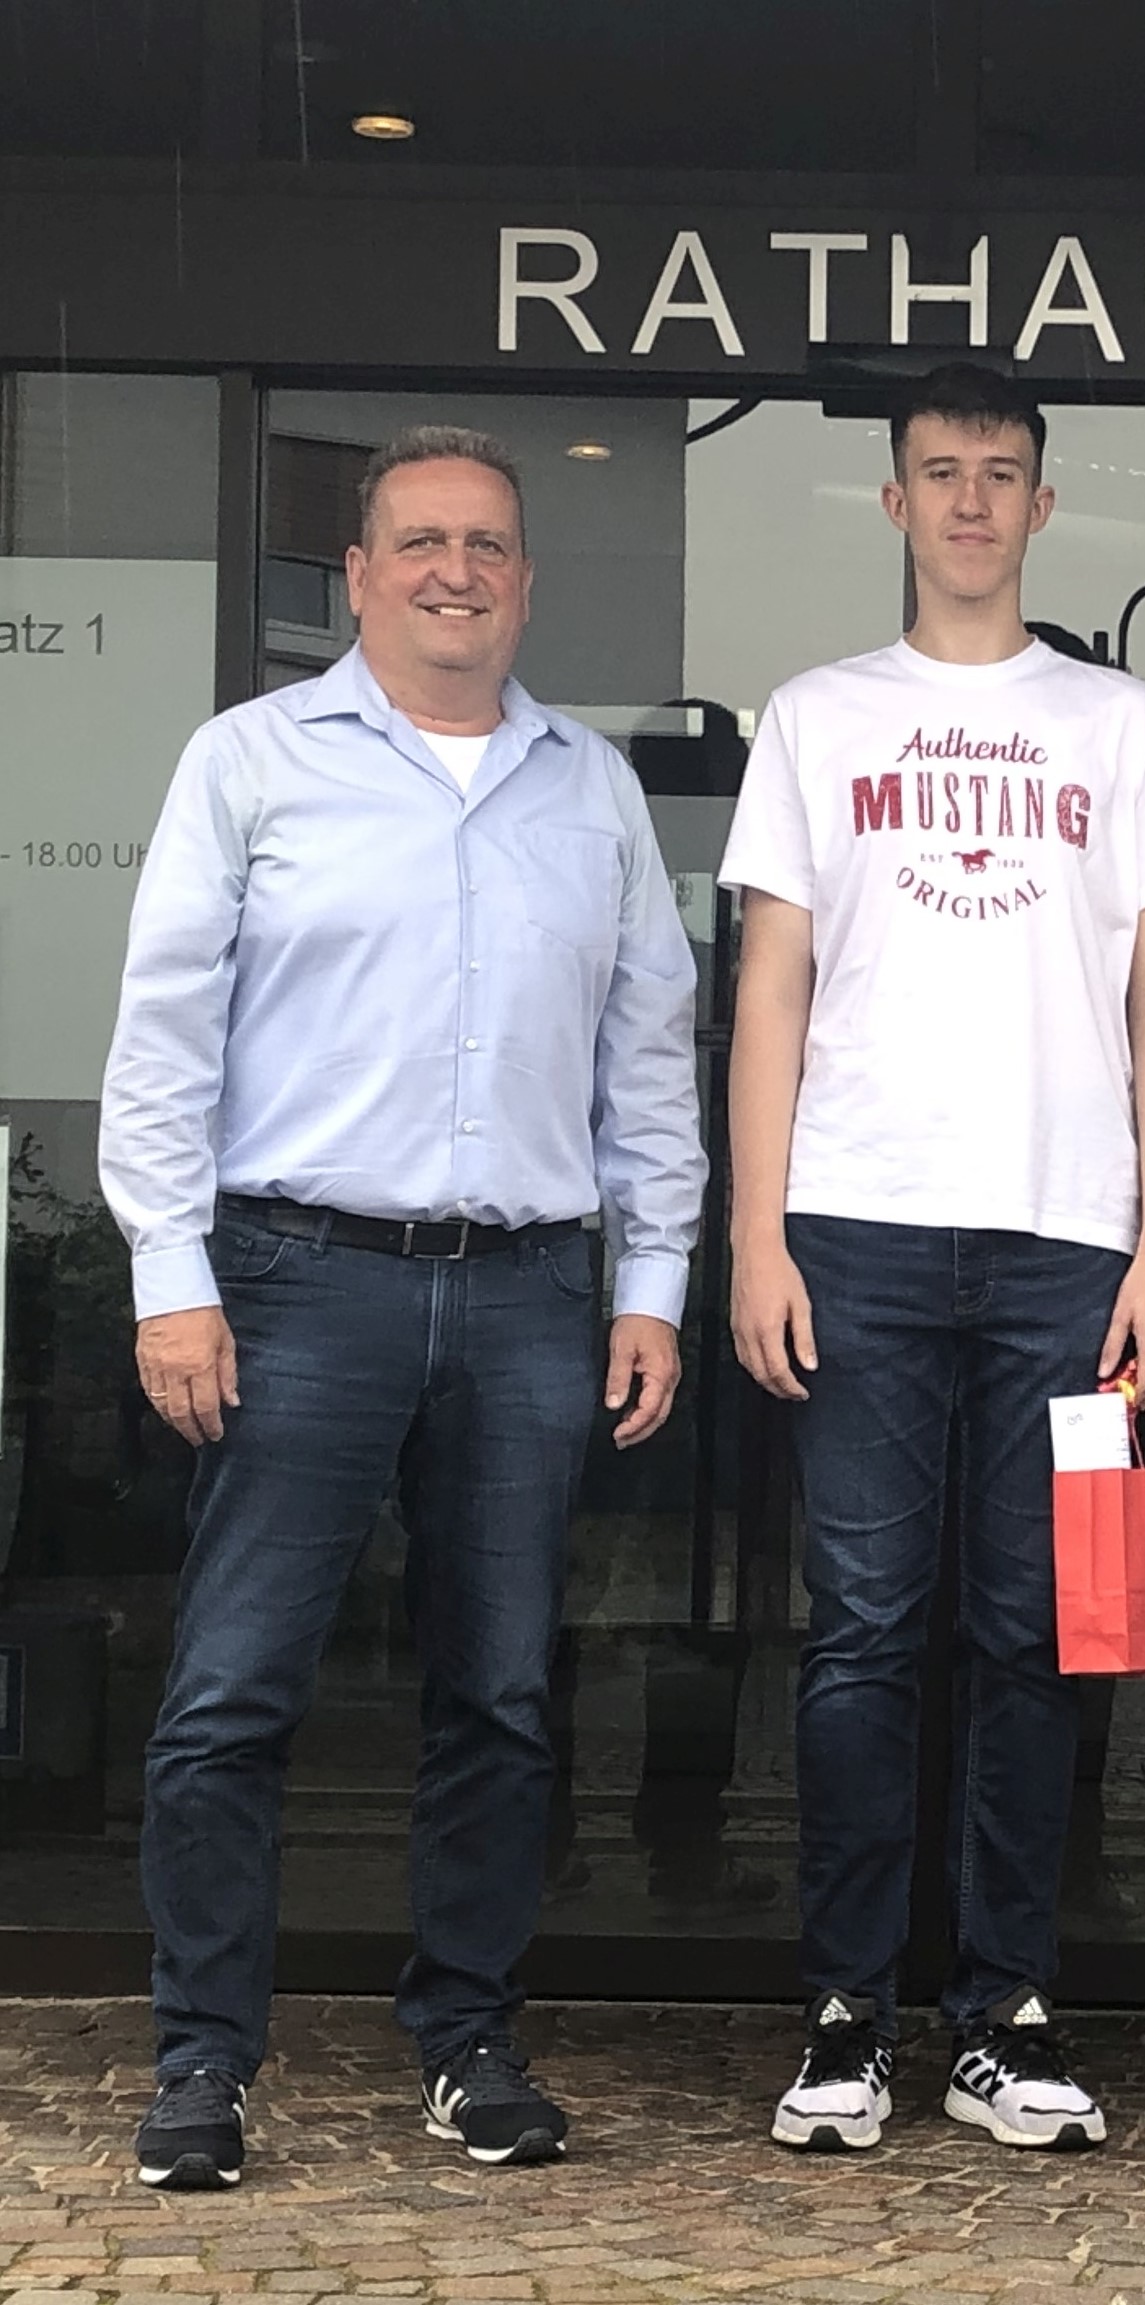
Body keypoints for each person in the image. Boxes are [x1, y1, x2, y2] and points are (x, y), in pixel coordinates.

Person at [100, 425, 705, 2189]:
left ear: (525, 580)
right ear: (356, 577)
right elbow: (162, 1043)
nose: (459, 569)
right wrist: (170, 1278)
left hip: (528, 1295)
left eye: (491, 544)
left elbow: (646, 1058)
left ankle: (467, 2036)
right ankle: (204, 2058)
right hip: (295, 1285)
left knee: (503, 1692)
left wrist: (652, 1284)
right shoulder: (251, 763)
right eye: (423, 540)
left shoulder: (587, 785)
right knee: (232, 1689)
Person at [719, 362, 1145, 2155]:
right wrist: (755, 1231)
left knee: (1029, 1635)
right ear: (896, 503)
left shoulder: (1116, 724)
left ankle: (1005, 2010)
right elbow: (769, 989)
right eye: (944, 473)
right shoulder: (818, 715)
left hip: (1063, 1236)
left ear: (1044, 505)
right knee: (857, 1636)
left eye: (1004, 474)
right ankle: (846, 2014)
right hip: (855, 1223)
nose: (975, 502)